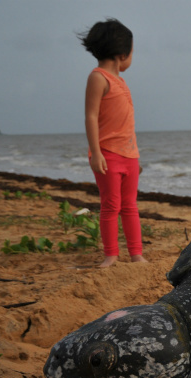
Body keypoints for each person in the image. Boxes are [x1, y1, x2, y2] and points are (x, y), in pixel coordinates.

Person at [79, 18, 146, 268]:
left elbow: (127, 124)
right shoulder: (98, 78)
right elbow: (91, 116)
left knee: (130, 206)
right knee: (110, 205)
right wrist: (96, 153)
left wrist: (134, 155)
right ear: (122, 54)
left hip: (129, 155)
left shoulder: (121, 81)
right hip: (107, 154)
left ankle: (136, 254)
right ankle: (111, 255)